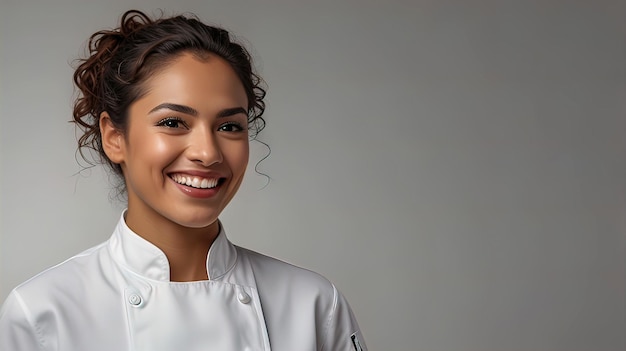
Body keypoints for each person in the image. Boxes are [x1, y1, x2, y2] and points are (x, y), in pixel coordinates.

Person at [0, 10, 367, 351]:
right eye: (173, 123)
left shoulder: (314, 305)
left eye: (229, 126)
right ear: (114, 137)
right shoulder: (42, 314)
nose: (208, 153)